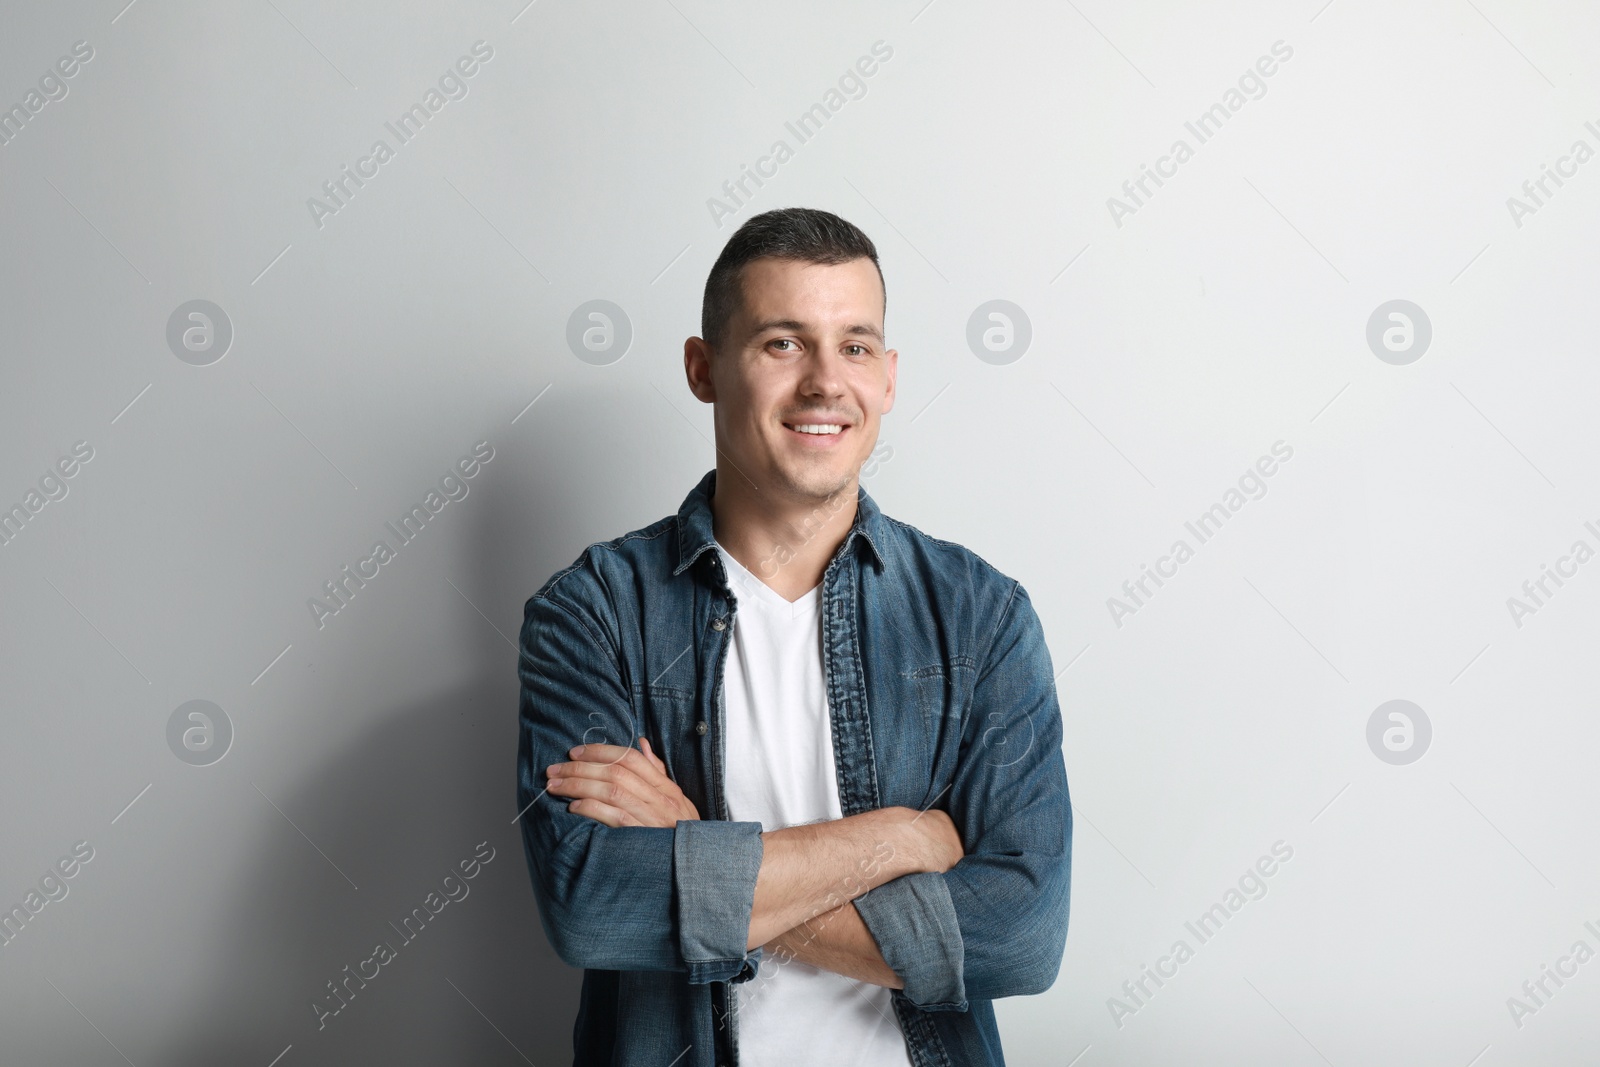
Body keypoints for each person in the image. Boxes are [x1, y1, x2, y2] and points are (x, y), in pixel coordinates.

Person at [516, 206, 1071, 1065]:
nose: (824, 382)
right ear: (703, 369)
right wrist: (901, 840)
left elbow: (1022, 939)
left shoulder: (981, 617)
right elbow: (593, 905)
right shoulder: (592, 613)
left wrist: (695, 843)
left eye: (854, 345)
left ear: (888, 377)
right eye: (782, 343)